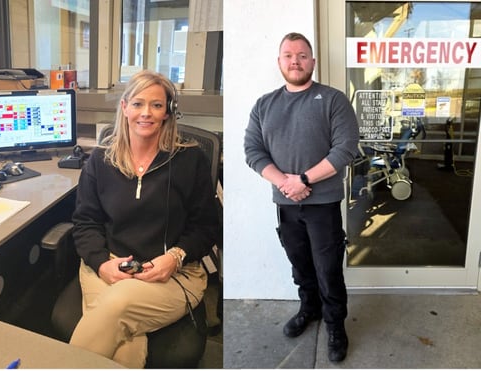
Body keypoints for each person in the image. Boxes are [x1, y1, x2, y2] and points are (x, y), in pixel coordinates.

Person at [70, 69, 219, 368]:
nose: (146, 113)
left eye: (156, 105)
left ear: (168, 112)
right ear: (124, 108)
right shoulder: (100, 161)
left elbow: (206, 227)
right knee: (124, 347)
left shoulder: (190, 161)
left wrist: (175, 257)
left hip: (175, 275)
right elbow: (85, 223)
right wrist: (102, 263)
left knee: (119, 304)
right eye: (137, 104)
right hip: (109, 268)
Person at [244, 32, 359, 363]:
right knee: (300, 265)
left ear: (313, 61)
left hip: (322, 205)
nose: (295, 60)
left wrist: (305, 179)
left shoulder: (333, 100)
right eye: (288, 55)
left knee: (328, 268)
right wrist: (286, 184)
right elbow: (253, 150)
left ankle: (336, 324)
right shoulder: (264, 105)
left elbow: (345, 148)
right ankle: (310, 308)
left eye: (302, 55)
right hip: (285, 205)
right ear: (279, 62)